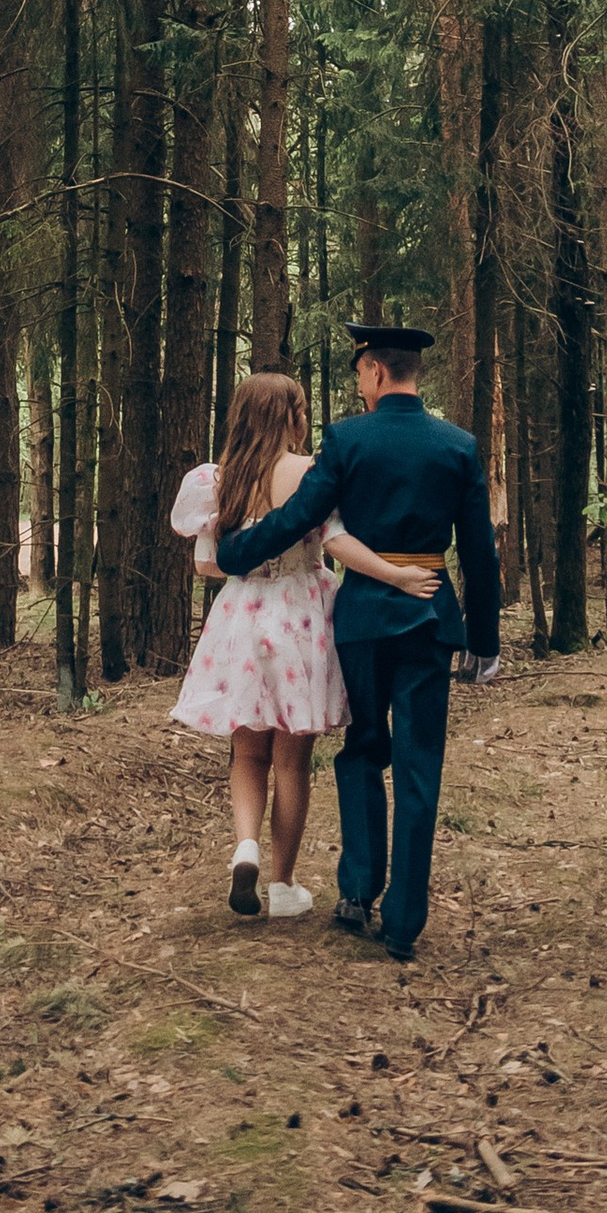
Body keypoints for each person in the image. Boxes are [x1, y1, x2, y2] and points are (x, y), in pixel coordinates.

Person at [214, 321, 501, 963]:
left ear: (373, 370)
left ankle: (356, 894)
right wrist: (485, 638)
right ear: (409, 372)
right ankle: (403, 922)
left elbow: (302, 517)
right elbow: (480, 551)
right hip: (430, 614)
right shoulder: (458, 445)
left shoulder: (347, 438)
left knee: (364, 750)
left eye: (358, 374)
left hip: (364, 618)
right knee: (421, 764)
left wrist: (237, 553)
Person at [170, 371, 439, 919]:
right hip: (300, 619)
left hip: (242, 619)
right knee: (292, 762)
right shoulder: (313, 474)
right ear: (291, 415)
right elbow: (337, 542)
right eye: (302, 409)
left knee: (247, 753)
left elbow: (205, 563)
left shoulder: (217, 480)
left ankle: (244, 846)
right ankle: (283, 885)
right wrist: (399, 576)